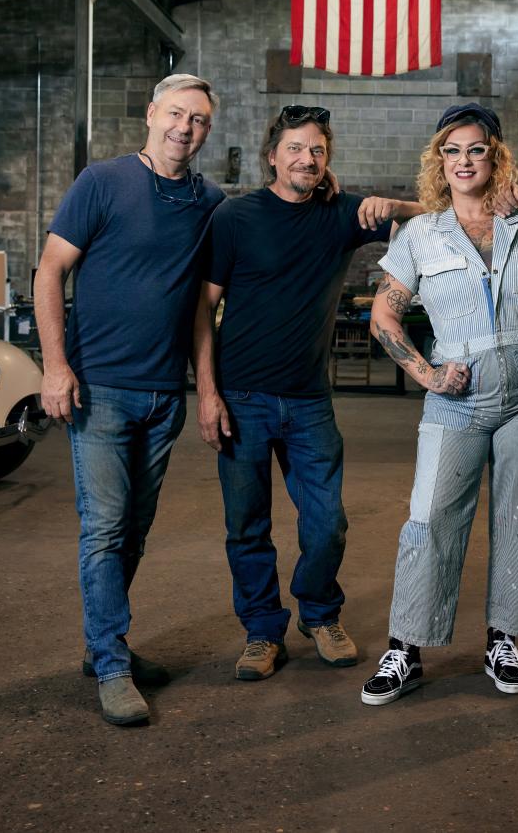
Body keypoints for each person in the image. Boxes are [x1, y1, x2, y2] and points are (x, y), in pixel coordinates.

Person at [193, 105, 422, 682]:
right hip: (240, 397)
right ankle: (262, 631)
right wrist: (207, 392)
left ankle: (319, 614)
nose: (307, 159)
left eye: (318, 150)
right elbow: (203, 306)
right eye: (296, 148)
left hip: (308, 402)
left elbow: (444, 219)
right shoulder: (234, 217)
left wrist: (394, 207)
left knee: (327, 523)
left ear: (328, 160)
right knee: (247, 526)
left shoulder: (343, 215)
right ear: (273, 154)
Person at [34, 73, 225, 726]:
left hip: (162, 394)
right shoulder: (103, 182)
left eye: (199, 119)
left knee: (133, 531)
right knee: (106, 528)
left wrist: (205, 390)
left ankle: (102, 641)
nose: (186, 127)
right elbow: (50, 270)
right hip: (100, 391)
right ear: (151, 114)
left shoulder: (209, 201)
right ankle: (112, 664)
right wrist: (55, 366)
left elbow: (202, 309)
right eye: (176, 113)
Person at [358, 103, 518, 706]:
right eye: (453, 150)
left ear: (494, 157)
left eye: (477, 149)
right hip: (458, 394)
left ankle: (503, 639)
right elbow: (383, 315)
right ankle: (406, 648)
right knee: (429, 516)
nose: (465, 160)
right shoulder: (421, 235)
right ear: (439, 161)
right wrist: (425, 374)